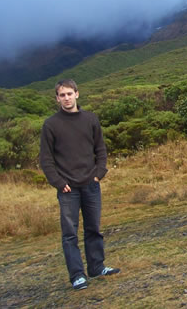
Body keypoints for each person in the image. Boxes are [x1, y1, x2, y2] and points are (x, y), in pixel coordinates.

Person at [40, 79, 120, 290]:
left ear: (77, 94)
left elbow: (100, 150)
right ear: (57, 98)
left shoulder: (90, 119)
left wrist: (98, 173)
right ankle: (77, 275)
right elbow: (46, 160)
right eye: (62, 95)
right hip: (68, 189)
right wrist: (58, 182)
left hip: (91, 184)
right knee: (70, 233)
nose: (66, 98)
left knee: (94, 228)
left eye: (69, 93)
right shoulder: (51, 125)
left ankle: (96, 267)